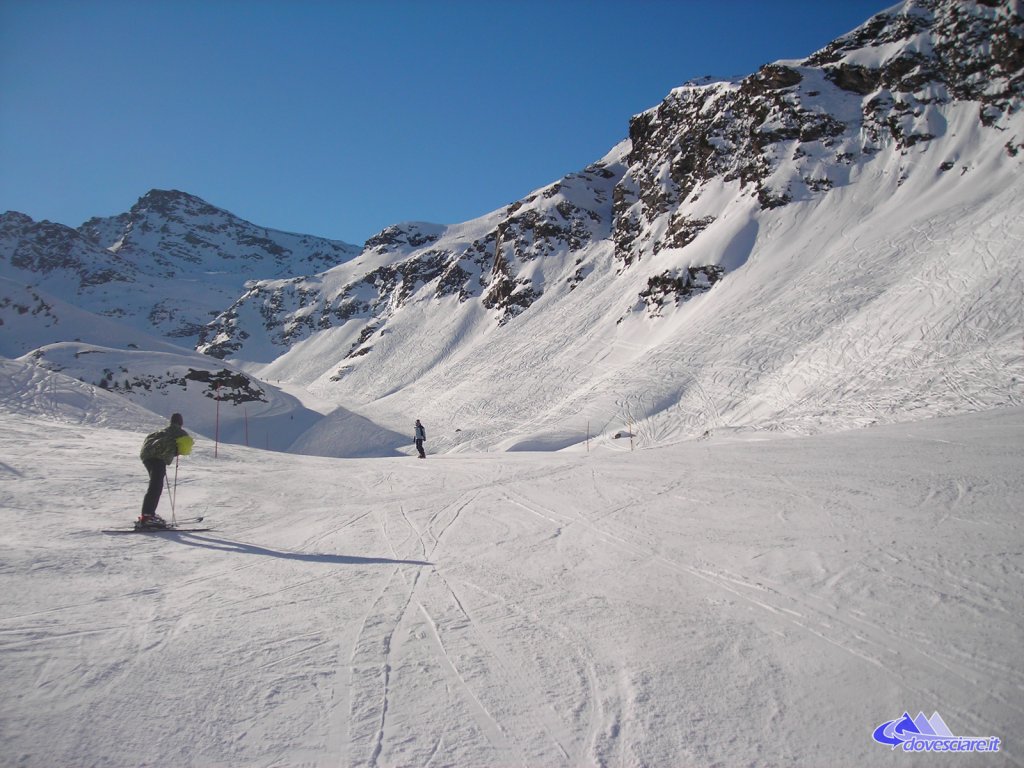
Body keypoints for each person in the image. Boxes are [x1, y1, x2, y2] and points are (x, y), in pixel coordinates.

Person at [138, 413, 193, 528]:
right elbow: (187, 446)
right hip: (159, 458)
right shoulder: (179, 432)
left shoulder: (161, 431)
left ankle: (147, 515)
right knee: (156, 486)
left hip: (146, 457)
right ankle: (148, 516)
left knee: (155, 485)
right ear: (181, 423)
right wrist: (176, 451)